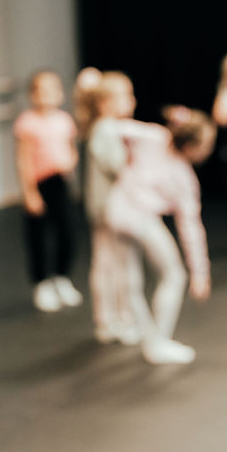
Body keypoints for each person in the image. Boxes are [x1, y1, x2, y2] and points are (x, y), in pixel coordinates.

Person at [105, 106, 214, 365]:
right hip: (136, 216)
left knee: (129, 276)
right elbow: (191, 229)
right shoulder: (183, 177)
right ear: (192, 145)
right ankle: (157, 342)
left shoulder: (154, 137)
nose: (208, 151)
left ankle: (148, 334)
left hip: (116, 209)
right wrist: (200, 273)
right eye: (206, 144)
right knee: (174, 274)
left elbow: (113, 127)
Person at [75, 69, 144, 344]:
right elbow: (119, 167)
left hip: (109, 208)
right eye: (125, 95)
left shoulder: (108, 128)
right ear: (104, 103)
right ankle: (119, 319)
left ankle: (113, 319)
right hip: (110, 210)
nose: (132, 100)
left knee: (109, 263)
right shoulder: (106, 130)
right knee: (116, 264)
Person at [14, 70, 82, 312]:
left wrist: (70, 165)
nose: (47, 94)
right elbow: (23, 160)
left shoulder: (65, 120)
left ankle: (61, 277)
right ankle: (41, 282)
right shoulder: (27, 122)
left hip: (60, 182)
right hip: (39, 183)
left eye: (52, 88)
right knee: (38, 236)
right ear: (32, 94)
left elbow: (71, 149)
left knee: (67, 232)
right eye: (41, 90)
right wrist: (30, 193)